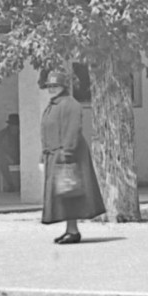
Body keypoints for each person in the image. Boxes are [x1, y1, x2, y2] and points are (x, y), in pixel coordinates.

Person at [38, 68, 104, 244]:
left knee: (71, 194)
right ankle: (69, 229)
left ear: (63, 86)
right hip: (55, 155)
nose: (52, 88)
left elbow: (72, 130)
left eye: (55, 85)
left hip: (68, 156)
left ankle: (73, 231)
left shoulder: (70, 104)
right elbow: (47, 133)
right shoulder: (53, 105)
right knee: (63, 196)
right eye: (49, 85)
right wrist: (42, 156)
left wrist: (67, 154)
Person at [0, 113, 20, 192]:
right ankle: (10, 184)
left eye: (17, 125)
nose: (15, 127)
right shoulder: (2, 134)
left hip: (18, 157)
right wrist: (8, 157)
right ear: (10, 125)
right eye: (13, 125)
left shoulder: (22, 134)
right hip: (5, 158)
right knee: (1, 162)